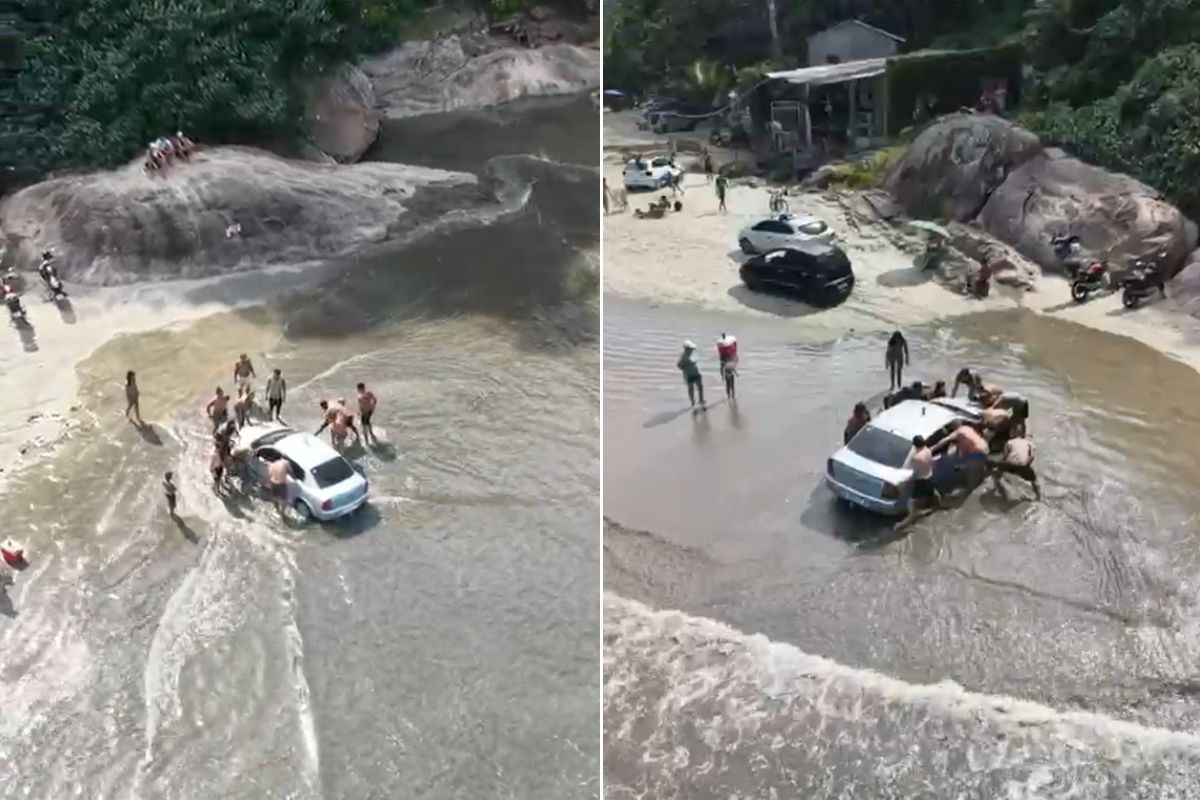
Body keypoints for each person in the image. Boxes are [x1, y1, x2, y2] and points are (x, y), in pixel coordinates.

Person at [894, 435, 941, 531]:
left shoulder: (916, 458)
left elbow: (915, 474)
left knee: (911, 504)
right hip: (929, 477)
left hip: (921, 482)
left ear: (915, 446)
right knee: (933, 494)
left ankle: (902, 525)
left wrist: (904, 482)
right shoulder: (928, 451)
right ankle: (934, 510)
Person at [990, 423, 1041, 499]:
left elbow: (1005, 456)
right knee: (1034, 481)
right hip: (1023, 466)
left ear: (1012, 433)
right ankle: (1038, 497)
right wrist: (1027, 464)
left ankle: (1000, 491)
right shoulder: (1029, 443)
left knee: (995, 473)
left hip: (1010, 464)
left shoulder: (1009, 442)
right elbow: (1032, 457)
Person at [676, 341, 705, 409]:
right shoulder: (683, 356)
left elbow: (698, 361)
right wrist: (684, 367)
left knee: (700, 387)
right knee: (691, 388)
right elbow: (679, 365)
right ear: (686, 349)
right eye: (690, 348)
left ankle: (700, 400)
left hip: (696, 372)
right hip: (689, 374)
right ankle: (693, 402)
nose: (692, 350)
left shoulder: (693, 354)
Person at [716, 333, 738, 400]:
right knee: (732, 381)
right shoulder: (731, 349)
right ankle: (733, 395)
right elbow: (735, 358)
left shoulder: (722, 350)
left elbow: (722, 364)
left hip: (726, 366)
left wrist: (722, 374)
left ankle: (728, 395)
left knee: (728, 382)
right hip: (731, 365)